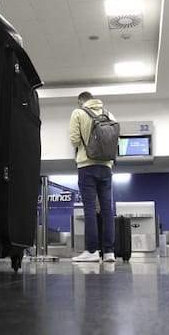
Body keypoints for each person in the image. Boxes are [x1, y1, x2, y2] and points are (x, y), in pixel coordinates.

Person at [68, 92, 116, 263]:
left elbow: (74, 140)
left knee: (89, 210)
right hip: (106, 167)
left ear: (80, 101)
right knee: (107, 210)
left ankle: (92, 251)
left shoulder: (78, 113)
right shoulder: (109, 114)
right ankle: (109, 252)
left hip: (86, 166)